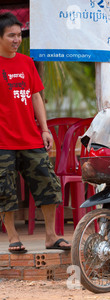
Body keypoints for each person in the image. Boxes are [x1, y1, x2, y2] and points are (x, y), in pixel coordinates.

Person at [0, 12, 70, 252]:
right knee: (5, 191)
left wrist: (45, 129)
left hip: (30, 138)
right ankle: (12, 237)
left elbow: (36, 95)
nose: (17, 40)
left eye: (19, 35)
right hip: (3, 142)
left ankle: (51, 236)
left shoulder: (27, 63)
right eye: (11, 35)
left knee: (48, 184)